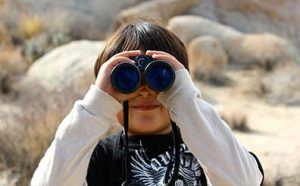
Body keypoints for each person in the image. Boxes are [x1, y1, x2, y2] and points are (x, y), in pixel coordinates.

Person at [31, 20, 264, 186]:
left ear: (181, 82)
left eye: (161, 78)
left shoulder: (207, 146)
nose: (144, 91)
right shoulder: (98, 156)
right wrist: (96, 105)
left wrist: (185, 101)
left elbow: (243, 181)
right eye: (126, 79)